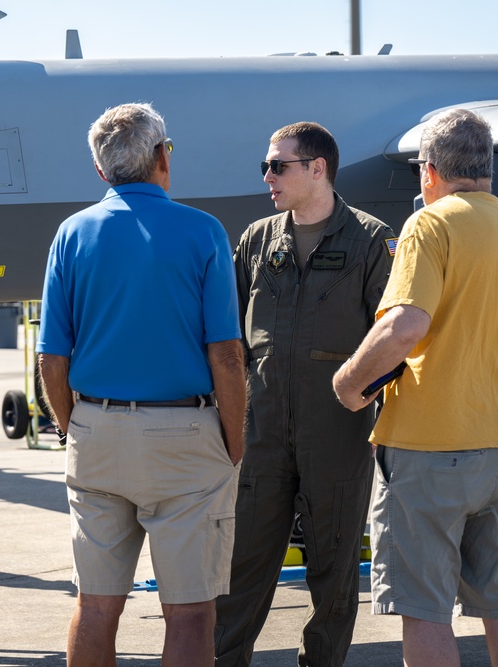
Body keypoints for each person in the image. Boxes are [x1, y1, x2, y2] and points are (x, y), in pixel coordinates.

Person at [332, 108, 498, 667]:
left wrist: (348, 384)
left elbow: (404, 326)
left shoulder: (429, 224)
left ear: (430, 170)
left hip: (429, 450)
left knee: (425, 610)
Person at [37, 102, 246, 665]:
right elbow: (226, 354)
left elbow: (52, 357)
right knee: (190, 610)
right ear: (161, 157)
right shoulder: (203, 231)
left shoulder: (71, 233)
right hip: (185, 434)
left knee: (97, 603)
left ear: (101, 171)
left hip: (96, 430)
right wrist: (235, 440)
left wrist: (71, 426)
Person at [214, 121, 396, 667]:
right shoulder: (256, 239)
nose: (267, 176)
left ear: (317, 168)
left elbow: (392, 339)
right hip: (261, 432)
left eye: (278, 165)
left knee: (334, 572)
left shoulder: (371, 240)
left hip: (338, 434)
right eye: (267, 166)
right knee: (240, 566)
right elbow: (230, 336)